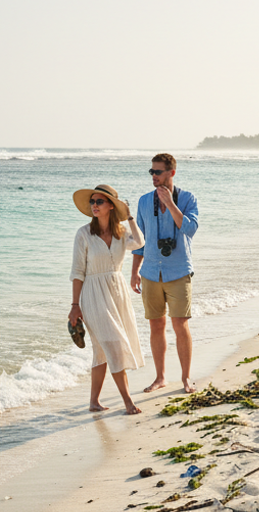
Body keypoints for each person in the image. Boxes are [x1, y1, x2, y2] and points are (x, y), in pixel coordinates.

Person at [69, 184, 144, 415]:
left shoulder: (122, 232)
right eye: (92, 202)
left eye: (99, 201)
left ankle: (94, 402)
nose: (94, 205)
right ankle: (128, 401)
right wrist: (74, 305)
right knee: (114, 343)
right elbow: (77, 271)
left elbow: (140, 242)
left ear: (111, 206)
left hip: (117, 292)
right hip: (93, 294)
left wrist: (129, 215)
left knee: (101, 350)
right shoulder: (84, 234)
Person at [130, 153, 200, 394]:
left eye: (158, 172)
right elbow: (139, 240)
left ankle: (186, 378)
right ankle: (160, 378)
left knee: (180, 325)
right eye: (151, 172)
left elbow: (190, 229)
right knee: (155, 326)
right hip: (150, 271)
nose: (153, 177)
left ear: (171, 173)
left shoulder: (188, 198)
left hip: (179, 271)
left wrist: (170, 204)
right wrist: (134, 271)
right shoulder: (143, 202)